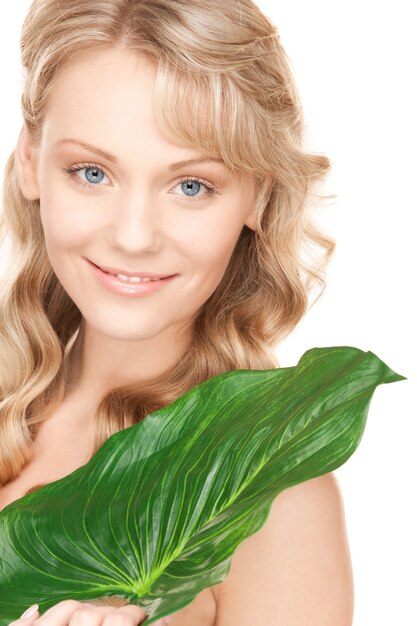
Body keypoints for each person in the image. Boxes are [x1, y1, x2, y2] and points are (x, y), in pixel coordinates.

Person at [0, 0, 353, 624]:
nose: (134, 236)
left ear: (260, 195)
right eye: (91, 172)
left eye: (191, 185)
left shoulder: (265, 492)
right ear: (31, 161)